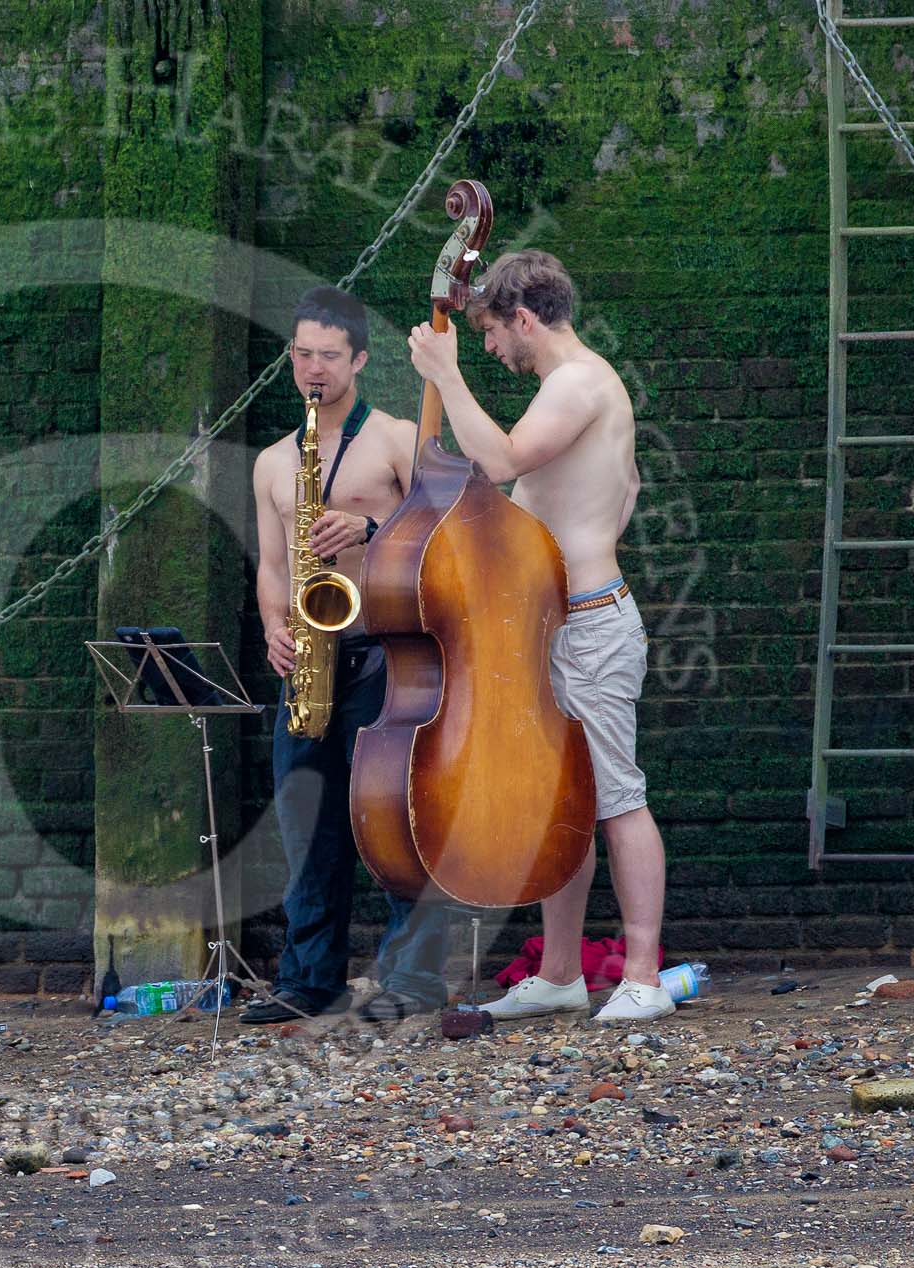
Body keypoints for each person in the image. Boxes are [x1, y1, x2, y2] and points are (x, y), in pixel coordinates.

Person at [406, 249, 671, 1024]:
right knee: (562, 803)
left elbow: (507, 456)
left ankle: (646, 976)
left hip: (590, 626)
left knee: (619, 798)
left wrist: (447, 376)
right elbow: (620, 490)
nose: (489, 348)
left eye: (492, 332)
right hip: (560, 624)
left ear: (524, 319)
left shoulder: (579, 382)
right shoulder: (578, 389)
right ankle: (559, 973)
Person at [242, 286, 452, 1026]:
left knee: (395, 822)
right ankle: (308, 980)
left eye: (328, 355)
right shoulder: (273, 462)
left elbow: (445, 529)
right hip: (307, 659)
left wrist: (368, 527)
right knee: (308, 824)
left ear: (359, 359)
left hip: (382, 655)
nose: (313, 368)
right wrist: (274, 625)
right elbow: (272, 566)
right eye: (301, 353)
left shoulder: (395, 436)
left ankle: (413, 980)